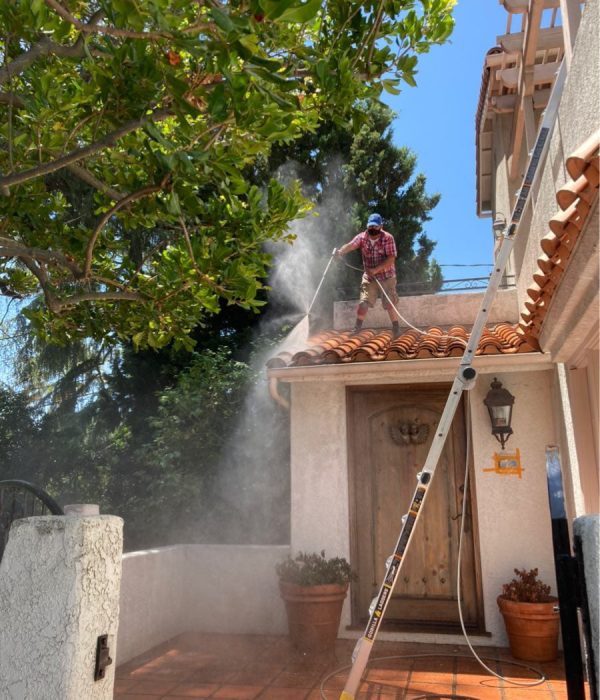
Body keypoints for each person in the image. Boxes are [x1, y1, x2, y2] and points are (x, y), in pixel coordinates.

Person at [335, 213, 401, 337]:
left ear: (381, 226)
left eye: (375, 227)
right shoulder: (362, 237)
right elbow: (350, 245)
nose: (372, 229)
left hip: (387, 277)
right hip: (369, 278)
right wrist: (340, 252)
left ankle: (396, 327)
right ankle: (357, 328)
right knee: (363, 303)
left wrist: (376, 270)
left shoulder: (388, 238)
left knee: (389, 303)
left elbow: (391, 259)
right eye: (370, 226)